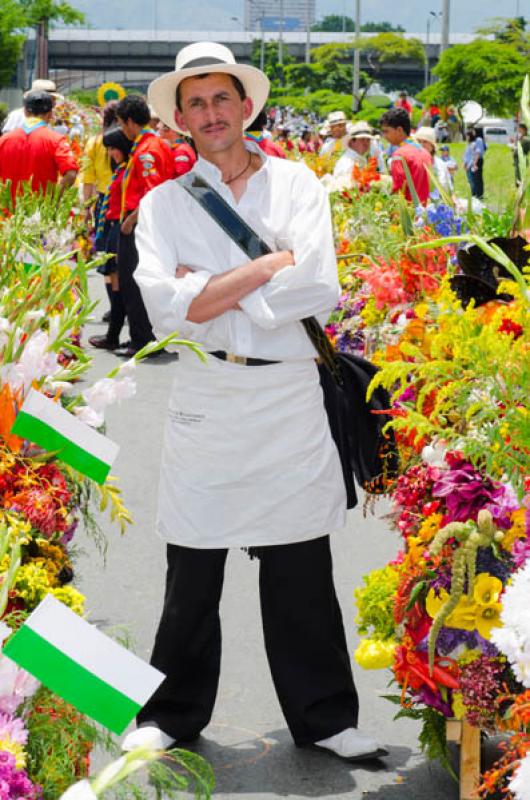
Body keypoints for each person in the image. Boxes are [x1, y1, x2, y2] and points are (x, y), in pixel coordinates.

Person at [122, 40, 388, 764]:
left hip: (287, 393)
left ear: (246, 106)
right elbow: (166, 312)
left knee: (301, 565)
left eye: (221, 99)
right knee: (193, 567)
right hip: (209, 391)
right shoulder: (162, 204)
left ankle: (326, 716)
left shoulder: (298, 184)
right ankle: (172, 711)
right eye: (196, 102)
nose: (211, 113)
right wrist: (268, 265)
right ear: (180, 118)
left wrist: (209, 286)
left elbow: (317, 287)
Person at [114, 94, 176, 357]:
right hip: (148, 223)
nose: (121, 129)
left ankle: (142, 340)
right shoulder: (153, 144)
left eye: (120, 123)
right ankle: (146, 337)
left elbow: (153, 193)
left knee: (132, 282)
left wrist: (130, 220)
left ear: (130, 121)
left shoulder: (147, 150)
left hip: (139, 224)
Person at [89, 127, 132, 351]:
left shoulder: (128, 171)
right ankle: (113, 334)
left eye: (114, 148)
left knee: (119, 284)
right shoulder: (121, 170)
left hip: (120, 227)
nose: (111, 153)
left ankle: (113, 335)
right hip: (112, 226)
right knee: (117, 283)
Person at [0, 91, 78, 204]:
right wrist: (53, 199)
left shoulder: (4, 140)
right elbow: (71, 174)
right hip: (40, 213)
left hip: (8, 214)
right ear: (50, 114)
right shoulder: (56, 140)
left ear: (25, 112)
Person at [379, 107, 431, 205]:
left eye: (386, 131)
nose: (384, 136)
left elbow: (398, 191)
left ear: (399, 130)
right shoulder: (424, 151)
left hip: (409, 213)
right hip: (427, 212)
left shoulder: (399, 155)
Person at [414, 126, 452, 197]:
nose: (421, 145)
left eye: (425, 142)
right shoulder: (412, 164)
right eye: (419, 141)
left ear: (432, 146)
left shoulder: (441, 164)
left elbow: (450, 190)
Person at [463, 128, 485, 200]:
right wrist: (465, 163)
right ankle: (473, 194)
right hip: (471, 163)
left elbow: (477, 153)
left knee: (477, 179)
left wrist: (474, 163)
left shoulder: (478, 140)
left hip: (475, 162)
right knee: (472, 179)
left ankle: (478, 195)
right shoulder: (470, 143)